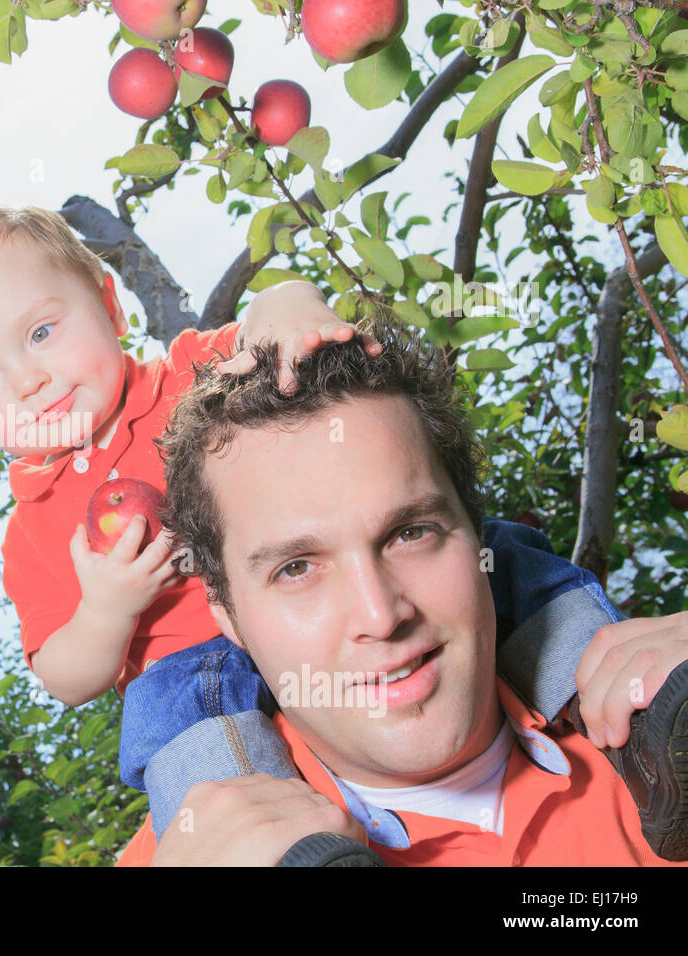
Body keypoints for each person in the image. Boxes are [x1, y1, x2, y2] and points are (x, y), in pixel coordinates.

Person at [0, 192, 652, 863]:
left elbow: (271, 318)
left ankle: (630, 706)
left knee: (503, 556)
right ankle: (286, 851)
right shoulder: (35, 533)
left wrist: (291, 306)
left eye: (42, 333)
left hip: (358, 666)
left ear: (110, 306)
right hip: (191, 669)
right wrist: (106, 613)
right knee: (178, 736)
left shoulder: (199, 374)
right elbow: (63, 676)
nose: (28, 380)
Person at [115, 323, 688, 866]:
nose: (380, 614)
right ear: (229, 616)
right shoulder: (189, 851)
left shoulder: (660, 728)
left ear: (479, 536)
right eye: (295, 568)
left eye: (410, 534)